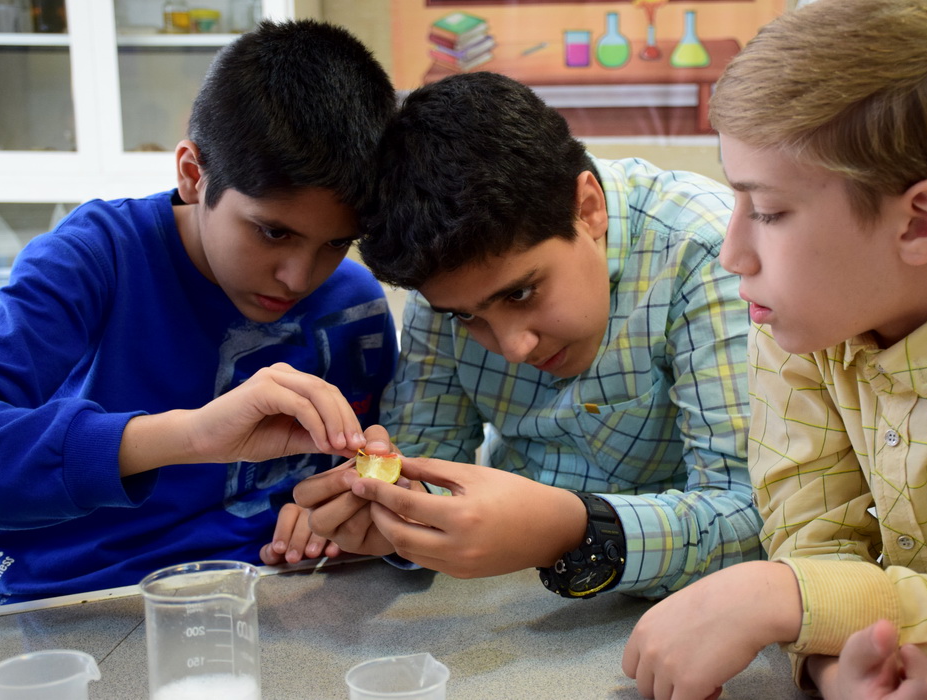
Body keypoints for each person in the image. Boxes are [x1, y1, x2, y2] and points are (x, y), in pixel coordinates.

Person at [621, 0, 927, 697]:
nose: (732, 253)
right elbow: (813, 540)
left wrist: (779, 597)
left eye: (767, 212)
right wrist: (837, 670)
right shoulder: (806, 322)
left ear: (920, 222)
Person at [294, 71, 761, 600]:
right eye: (469, 318)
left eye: (521, 294)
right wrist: (392, 517)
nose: (514, 347)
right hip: (511, 600)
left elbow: (753, 512)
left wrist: (570, 528)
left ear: (588, 210)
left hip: (692, 608)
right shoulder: (446, 290)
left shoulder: (708, 252)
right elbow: (424, 458)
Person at [0, 19, 399, 604]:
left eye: (336, 243)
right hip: (85, 602)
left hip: (287, 596)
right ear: (192, 174)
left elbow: (367, 467)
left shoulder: (352, 301)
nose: (300, 276)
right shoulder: (92, 258)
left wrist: (339, 510)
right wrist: (193, 435)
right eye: (271, 232)